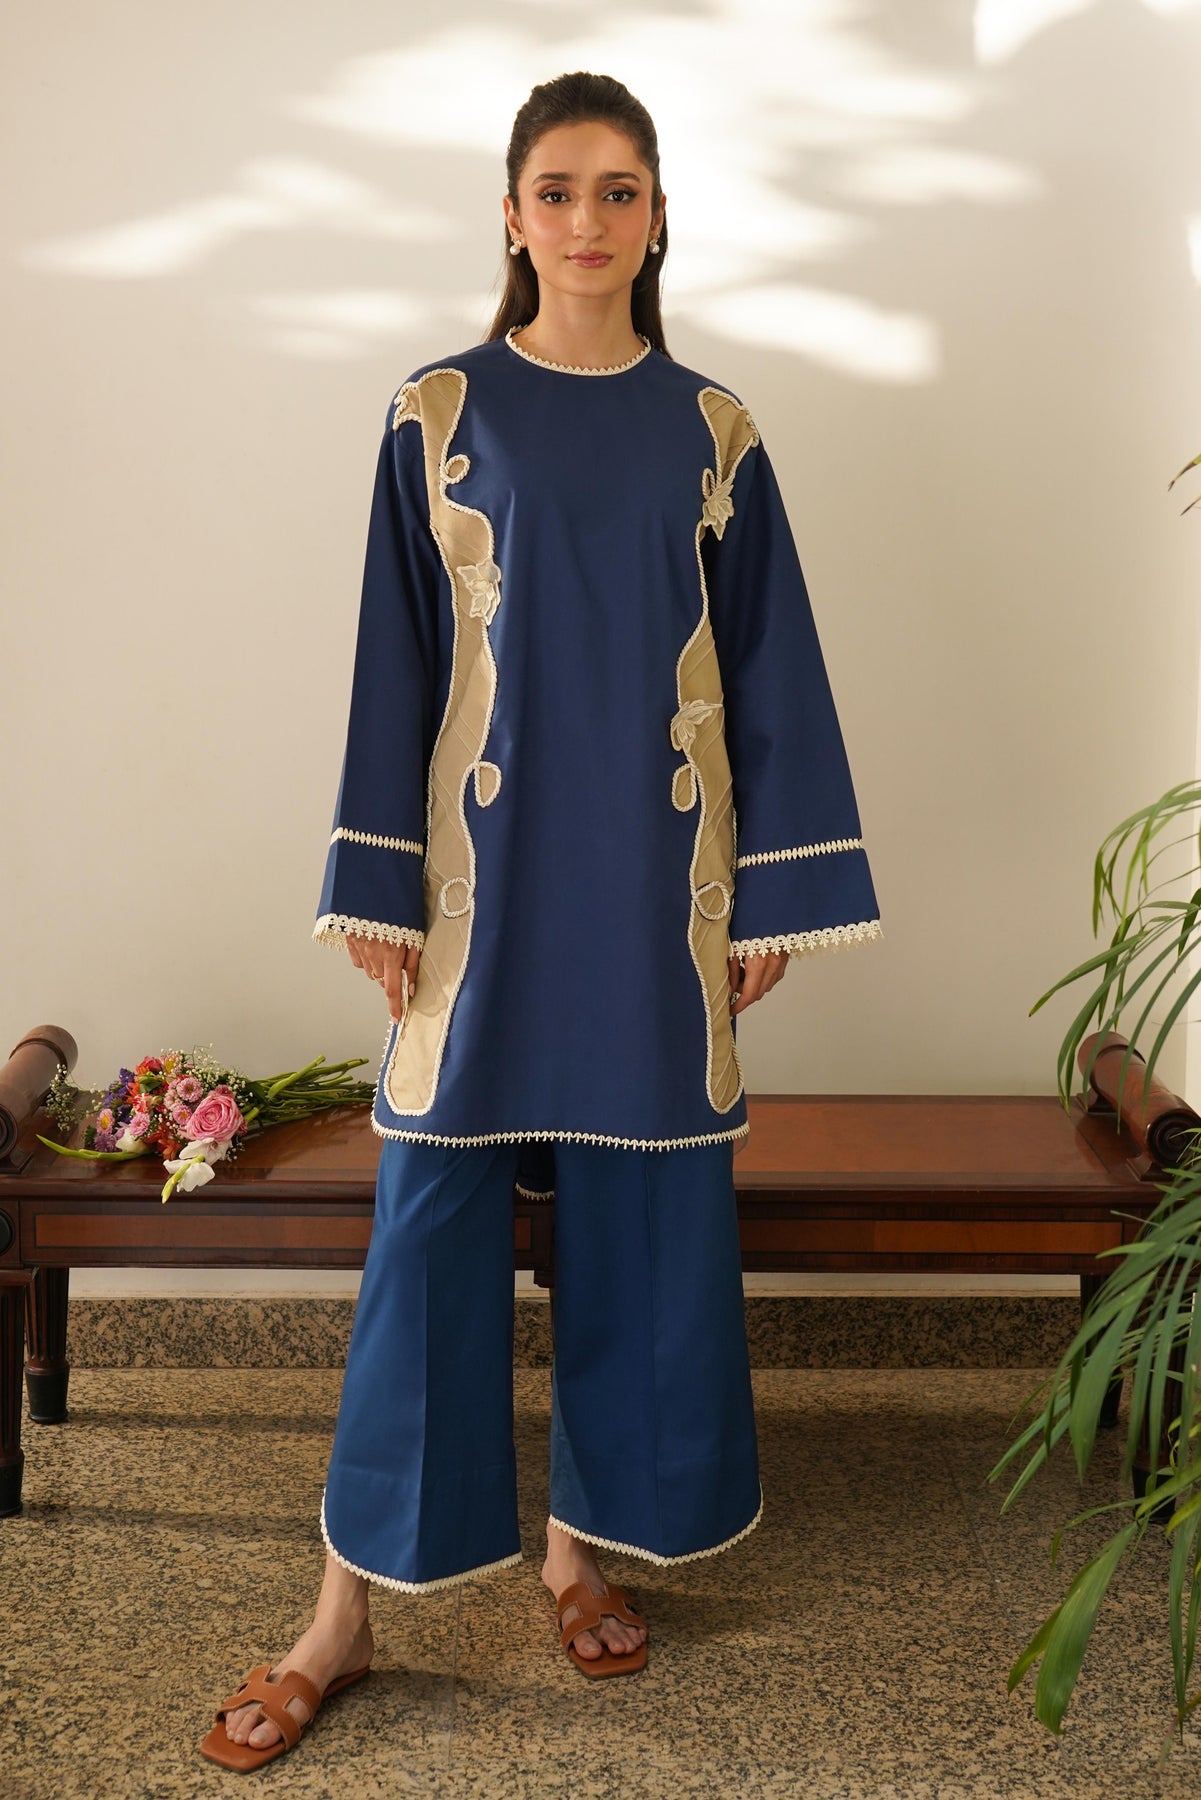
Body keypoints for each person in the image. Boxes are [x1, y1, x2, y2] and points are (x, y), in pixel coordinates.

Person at [200, 68, 881, 1772]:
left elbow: (772, 666)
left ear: (657, 219)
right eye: (558, 190)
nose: (588, 221)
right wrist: (375, 880)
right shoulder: (439, 413)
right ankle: (341, 1618)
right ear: (509, 215)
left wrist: (774, 893)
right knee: (425, 1233)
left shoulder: (713, 430)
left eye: (619, 191)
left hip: (657, 884)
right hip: (476, 889)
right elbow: (394, 658)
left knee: (638, 1228)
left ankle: (582, 1550)